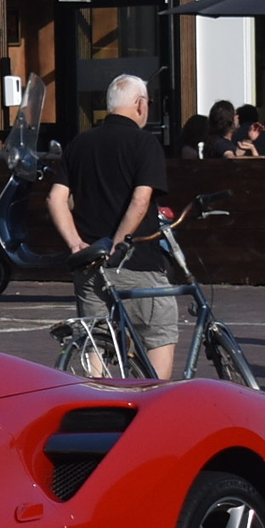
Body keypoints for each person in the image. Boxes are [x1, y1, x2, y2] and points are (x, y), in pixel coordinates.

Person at [46, 73, 178, 379]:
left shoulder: (79, 144)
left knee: (95, 343)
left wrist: (76, 244)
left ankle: (96, 403)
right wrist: (120, 243)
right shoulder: (145, 144)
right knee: (157, 332)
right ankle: (152, 409)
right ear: (140, 104)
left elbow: (55, 198)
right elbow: (141, 200)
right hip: (136, 264)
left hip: (90, 265)